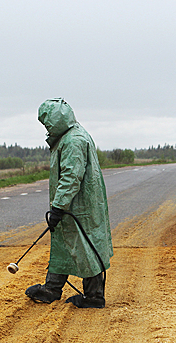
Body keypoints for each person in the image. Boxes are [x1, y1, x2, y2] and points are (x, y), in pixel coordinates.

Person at [25, 98, 113, 308]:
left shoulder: (73, 140)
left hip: (78, 206)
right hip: (74, 204)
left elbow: (71, 177)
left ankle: (94, 297)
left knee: (84, 247)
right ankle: (52, 289)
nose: (46, 127)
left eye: (47, 122)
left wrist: (58, 206)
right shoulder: (70, 135)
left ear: (56, 119)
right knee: (66, 243)